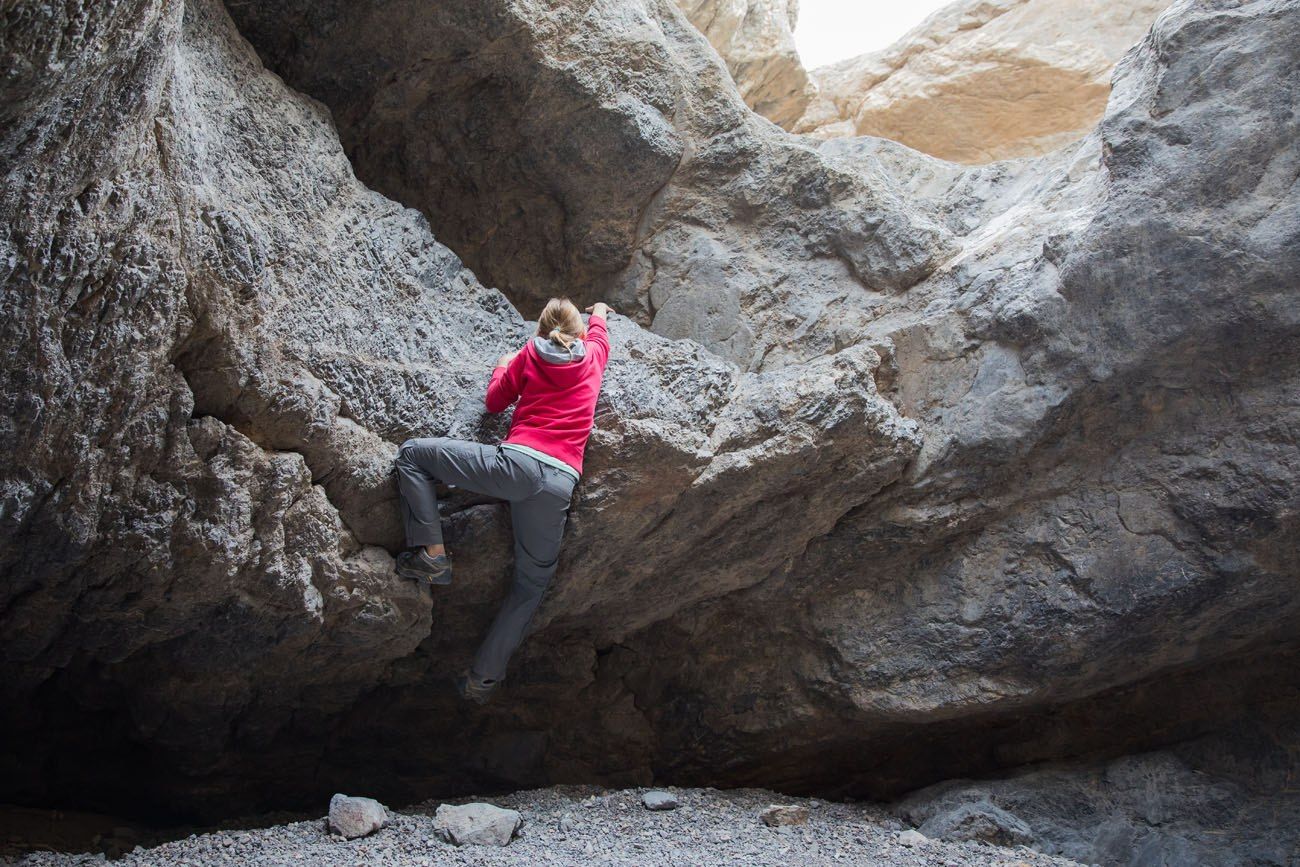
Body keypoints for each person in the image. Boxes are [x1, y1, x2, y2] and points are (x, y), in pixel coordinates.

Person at [394, 298, 613, 704]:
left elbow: (495, 402)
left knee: (412, 454)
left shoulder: (530, 355)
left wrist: (501, 364)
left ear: (540, 332)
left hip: (516, 467)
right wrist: (599, 310)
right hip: (559, 484)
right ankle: (483, 680)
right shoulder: (594, 355)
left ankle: (432, 553)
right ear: (580, 333)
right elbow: (599, 333)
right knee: (531, 586)